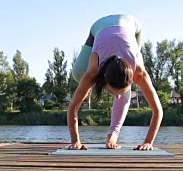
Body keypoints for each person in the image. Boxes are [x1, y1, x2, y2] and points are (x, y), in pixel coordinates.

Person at [67, 14, 163, 150]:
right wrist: (75, 141)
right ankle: (106, 85)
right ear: (105, 79)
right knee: (79, 74)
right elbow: (73, 108)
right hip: (99, 26)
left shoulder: (139, 72)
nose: (117, 96)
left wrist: (148, 142)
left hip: (132, 26)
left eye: (120, 93)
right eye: (113, 92)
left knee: (125, 81)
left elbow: (157, 110)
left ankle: (112, 135)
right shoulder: (93, 70)